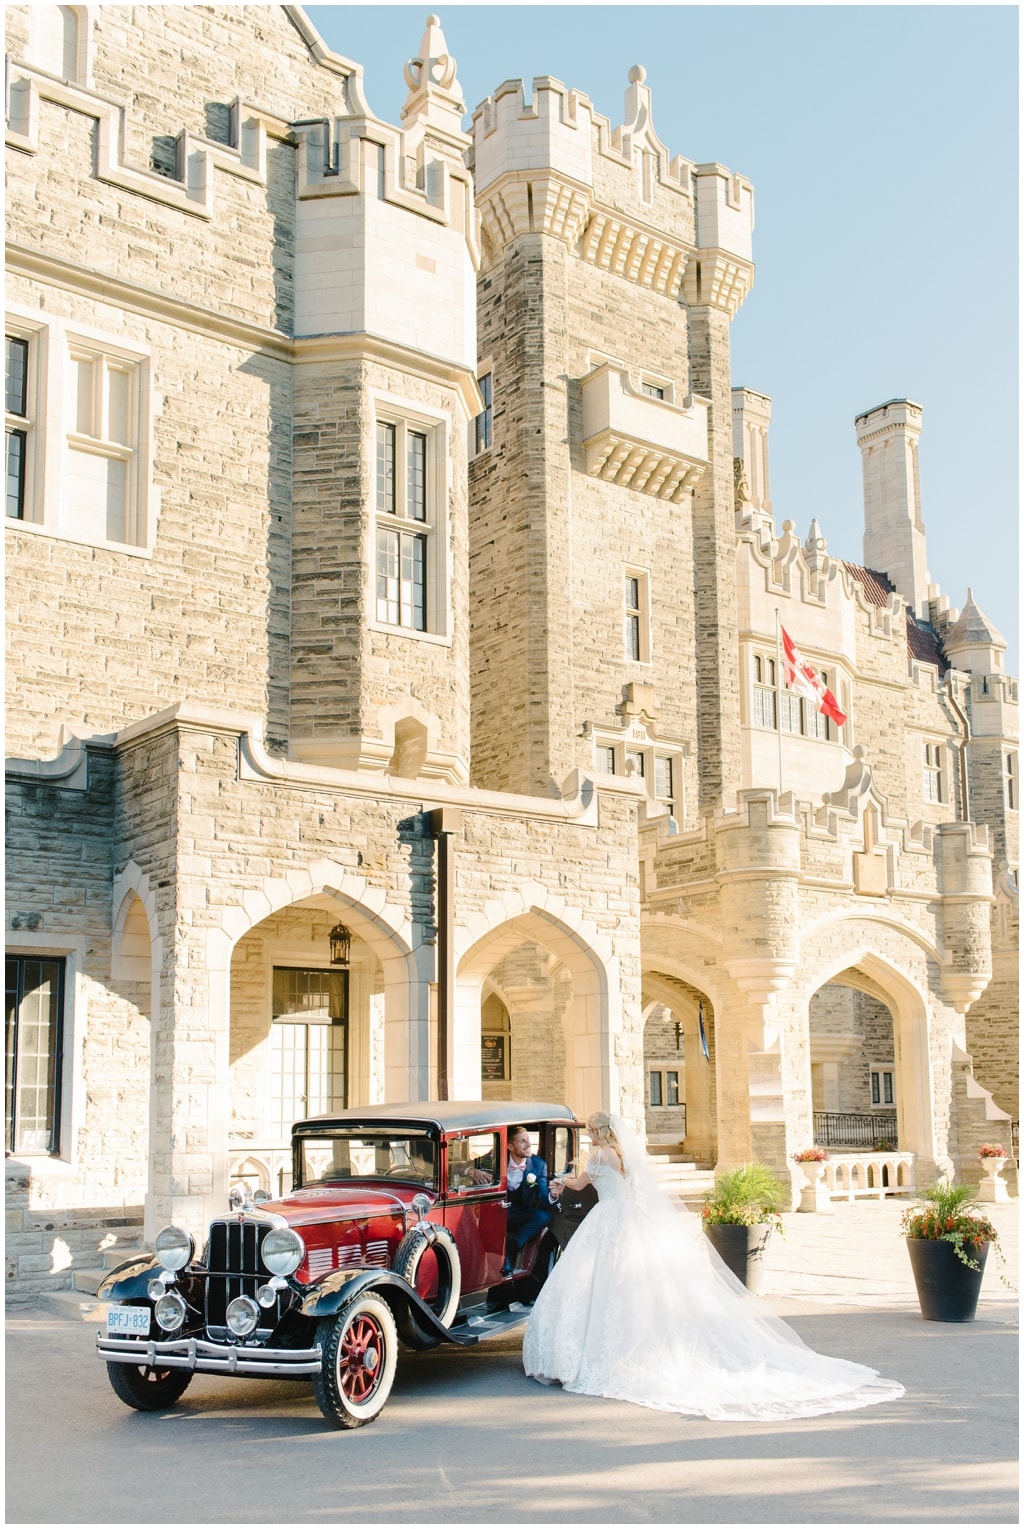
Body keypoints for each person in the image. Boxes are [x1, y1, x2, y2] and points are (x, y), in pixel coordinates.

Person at [524, 1112, 905, 1421]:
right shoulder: (624, 1158)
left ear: (596, 1132)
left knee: (593, 1283)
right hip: (629, 1218)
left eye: (591, 1131)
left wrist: (559, 1181)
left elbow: (580, 1185)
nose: (589, 1136)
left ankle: (590, 1356)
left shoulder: (598, 1156)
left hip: (607, 1219)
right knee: (629, 1283)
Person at [501, 1126, 551, 1277]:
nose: (528, 1144)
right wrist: (470, 1171)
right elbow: (460, 1165)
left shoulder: (538, 1165)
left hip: (520, 1215)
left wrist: (553, 1196)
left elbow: (543, 1197)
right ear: (510, 1146)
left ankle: (512, 1248)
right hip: (497, 1214)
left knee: (544, 1216)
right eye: (522, 1141)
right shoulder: (495, 1158)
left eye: (528, 1139)